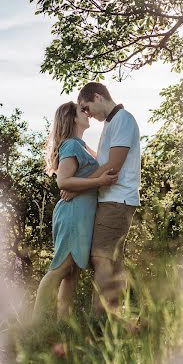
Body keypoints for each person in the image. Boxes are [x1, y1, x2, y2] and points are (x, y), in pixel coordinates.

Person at [32, 101, 118, 321]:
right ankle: (35, 325)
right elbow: (63, 182)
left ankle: (63, 324)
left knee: (73, 272)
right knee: (61, 268)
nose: (88, 113)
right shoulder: (70, 145)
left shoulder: (80, 145)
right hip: (73, 214)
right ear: (71, 118)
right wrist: (98, 181)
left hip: (82, 214)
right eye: (83, 111)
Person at [64, 83, 141, 316]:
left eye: (87, 108)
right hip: (110, 199)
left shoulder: (124, 120)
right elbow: (102, 164)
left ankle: (100, 319)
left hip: (118, 200)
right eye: (83, 111)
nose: (87, 114)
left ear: (98, 97)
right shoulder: (111, 124)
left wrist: (77, 187)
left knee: (101, 257)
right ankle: (120, 319)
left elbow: (113, 166)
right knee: (112, 262)